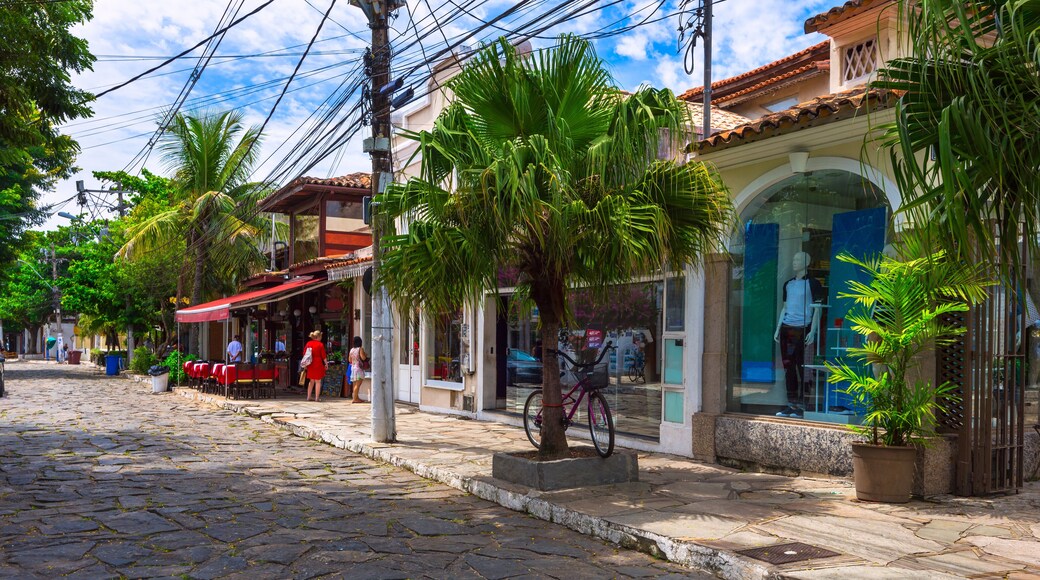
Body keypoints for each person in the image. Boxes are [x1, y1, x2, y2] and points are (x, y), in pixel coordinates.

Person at [773, 251, 824, 418]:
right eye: (793, 259)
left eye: (798, 259)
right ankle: (791, 404)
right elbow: (785, 308)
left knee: (804, 368)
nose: (794, 262)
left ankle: (804, 405)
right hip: (787, 328)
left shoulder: (813, 283)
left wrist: (813, 330)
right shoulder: (788, 284)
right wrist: (778, 327)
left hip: (804, 328)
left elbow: (818, 309)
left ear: (806, 262)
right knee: (789, 368)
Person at [304, 330, 328, 402]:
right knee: (318, 381)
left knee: (311, 381)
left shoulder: (308, 343)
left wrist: (305, 364)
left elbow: (304, 353)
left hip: (310, 363)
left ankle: (308, 396)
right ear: (318, 337)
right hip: (318, 363)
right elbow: (323, 356)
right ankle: (317, 398)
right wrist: (326, 363)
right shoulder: (320, 344)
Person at [348, 336, 368, 403]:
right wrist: (365, 355)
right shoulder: (360, 349)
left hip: (353, 368)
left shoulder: (352, 350)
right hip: (359, 369)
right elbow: (363, 358)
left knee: (355, 384)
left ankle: (356, 397)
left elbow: (349, 360)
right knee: (358, 384)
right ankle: (355, 399)